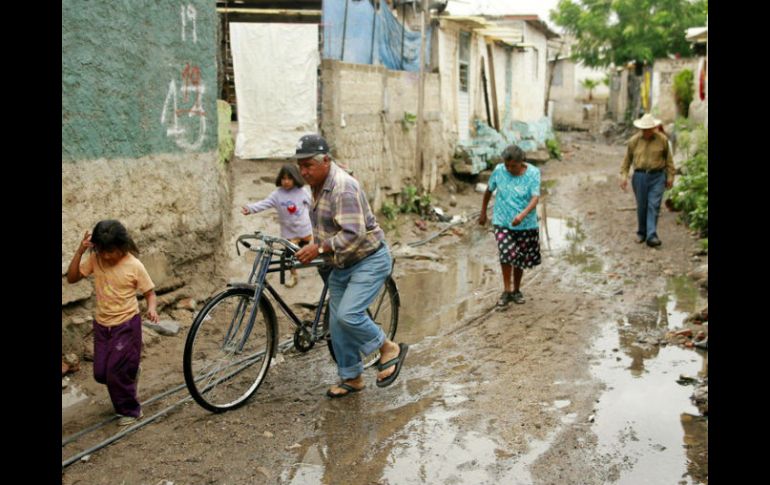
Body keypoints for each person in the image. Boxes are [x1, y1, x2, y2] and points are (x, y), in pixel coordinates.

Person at [292, 134, 408, 398]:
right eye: (300, 166)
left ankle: (388, 347)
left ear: (326, 161)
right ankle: (351, 377)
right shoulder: (315, 186)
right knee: (336, 324)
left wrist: (319, 248)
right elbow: (325, 226)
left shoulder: (343, 187)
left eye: (308, 165)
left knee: (347, 315)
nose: (303, 171)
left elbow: (353, 234)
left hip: (368, 260)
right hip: (341, 263)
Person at [66, 220, 159, 426]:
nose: (107, 256)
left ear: (123, 246)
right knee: (101, 374)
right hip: (102, 325)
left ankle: (131, 411)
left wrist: (151, 308)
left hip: (126, 325)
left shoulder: (134, 265)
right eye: (102, 251)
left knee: (114, 373)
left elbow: (150, 294)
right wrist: (81, 251)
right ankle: (131, 371)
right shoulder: (96, 259)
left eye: (111, 251)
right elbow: (72, 278)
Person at [478, 144, 542, 308]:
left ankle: (516, 290)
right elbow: (488, 191)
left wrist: (522, 215)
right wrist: (483, 212)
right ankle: (506, 291)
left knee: (519, 258)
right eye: (507, 165)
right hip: (502, 221)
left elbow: (535, 198)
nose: (509, 168)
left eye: (513, 166)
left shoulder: (533, 173)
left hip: (525, 223)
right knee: (506, 253)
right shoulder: (499, 171)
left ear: (522, 162)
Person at [242, 164, 313, 288]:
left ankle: (312, 265)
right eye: (283, 178)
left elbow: (313, 205)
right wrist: (250, 209)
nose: (286, 182)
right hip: (288, 233)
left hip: (304, 230)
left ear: (295, 178)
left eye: (289, 179)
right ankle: (294, 275)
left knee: (306, 251)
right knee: (290, 255)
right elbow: (264, 203)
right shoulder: (277, 195)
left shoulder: (302, 192)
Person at [619, 113, 675, 247]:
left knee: (654, 205)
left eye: (649, 128)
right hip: (640, 176)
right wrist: (623, 176)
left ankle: (651, 235)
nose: (647, 131)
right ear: (641, 128)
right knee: (642, 206)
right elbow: (627, 160)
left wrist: (670, 176)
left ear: (654, 128)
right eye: (644, 129)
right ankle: (641, 233)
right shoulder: (634, 141)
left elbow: (669, 160)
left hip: (658, 176)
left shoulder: (662, 140)